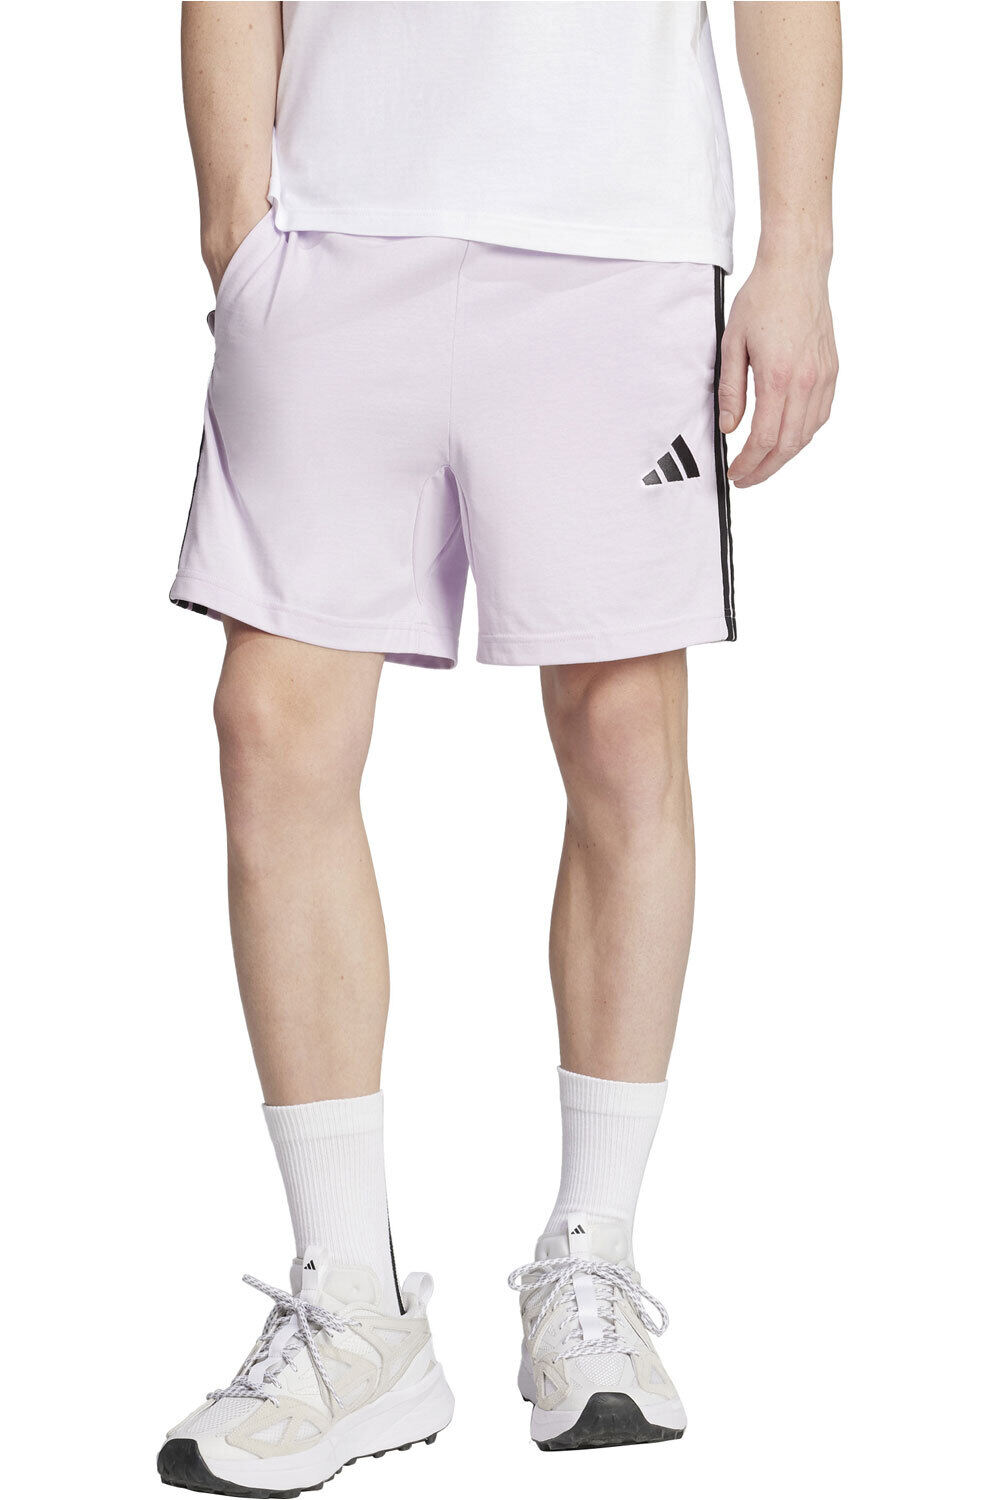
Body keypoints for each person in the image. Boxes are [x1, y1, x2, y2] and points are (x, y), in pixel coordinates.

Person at [158, 1, 841, 1489]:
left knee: (622, 733)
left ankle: (591, 1265)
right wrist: (234, 227)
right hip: (330, 231)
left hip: (616, 238)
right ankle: (351, 1310)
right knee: (270, 727)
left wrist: (798, 250)